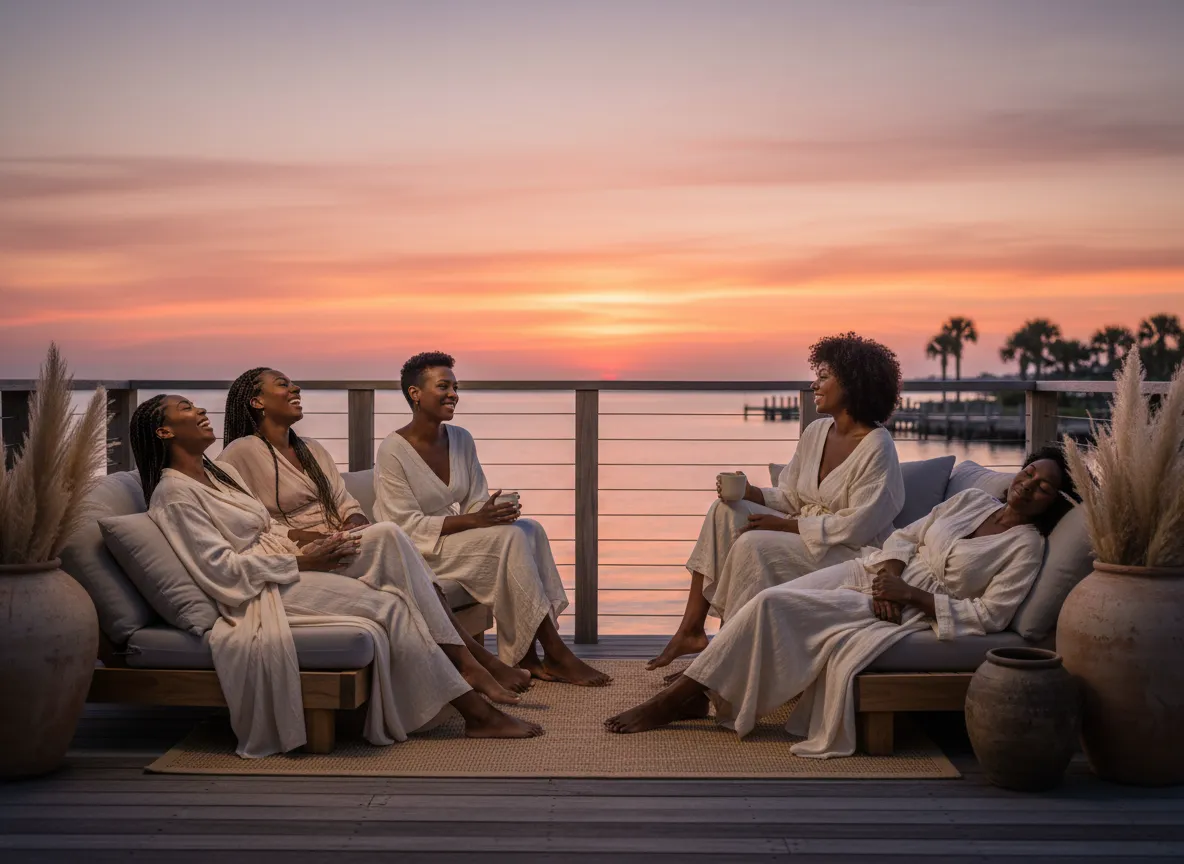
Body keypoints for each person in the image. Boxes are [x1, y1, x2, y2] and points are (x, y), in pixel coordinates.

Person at [132, 393, 543, 758]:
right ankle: (474, 701)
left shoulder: (219, 474)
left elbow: (268, 527)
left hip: (291, 560)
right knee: (392, 603)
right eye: (186, 408)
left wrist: (313, 546)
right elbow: (219, 570)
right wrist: (302, 564)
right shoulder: (174, 495)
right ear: (164, 431)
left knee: (385, 536)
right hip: (263, 590)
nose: (201, 409)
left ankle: (468, 666)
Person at [606, 448, 1078, 759]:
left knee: (773, 605)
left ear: (1054, 500)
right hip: (874, 572)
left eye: (1043, 486)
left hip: (911, 608)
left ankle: (676, 699)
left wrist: (909, 596)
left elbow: (991, 615)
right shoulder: (974, 501)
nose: (1029, 483)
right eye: (1030, 471)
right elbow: (908, 534)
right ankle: (706, 691)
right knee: (778, 599)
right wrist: (889, 574)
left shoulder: (1026, 547)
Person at [218, 367, 530, 696]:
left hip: (344, 543)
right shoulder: (240, 454)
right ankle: (477, 665)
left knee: (410, 566)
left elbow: (345, 501)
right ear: (257, 401)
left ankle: (475, 666)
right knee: (393, 536)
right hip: (308, 554)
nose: (296, 387)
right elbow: (251, 522)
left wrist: (353, 522)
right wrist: (315, 540)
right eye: (283, 385)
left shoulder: (311, 448)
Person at [647, 333, 906, 672]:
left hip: (848, 554)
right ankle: (692, 630)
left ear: (854, 385)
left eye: (825, 376)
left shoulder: (878, 448)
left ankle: (726, 657)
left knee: (755, 545)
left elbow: (859, 527)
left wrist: (787, 526)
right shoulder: (816, 433)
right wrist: (749, 493)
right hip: (806, 535)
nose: (815, 384)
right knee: (725, 512)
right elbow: (792, 496)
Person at [373, 351, 611, 686]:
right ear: (415, 394)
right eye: (443, 386)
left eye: (455, 386)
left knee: (527, 528)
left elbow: (475, 501)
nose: (453, 394)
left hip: (452, 539)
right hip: (417, 551)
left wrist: (495, 512)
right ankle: (555, 653)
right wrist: (478, 521)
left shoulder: (460, 438)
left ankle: (528, 654)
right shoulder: (392, 451)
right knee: (511, 539)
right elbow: (404, 526)